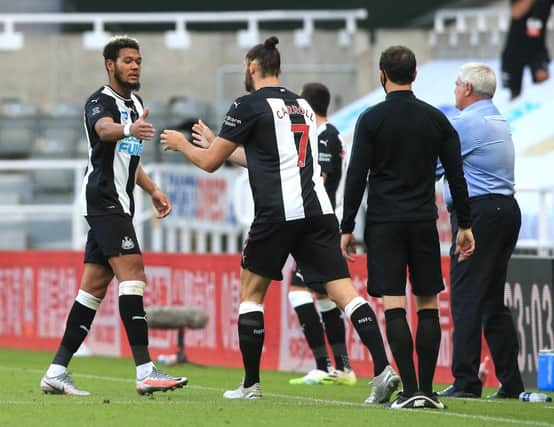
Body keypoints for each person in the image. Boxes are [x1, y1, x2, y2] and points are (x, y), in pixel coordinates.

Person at [161, 36, 400, 403]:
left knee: (251, 295)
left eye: (245, 67)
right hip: (318, 212)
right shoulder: (302, 105)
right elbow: (267, 158)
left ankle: (251, 385)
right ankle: (384, 370)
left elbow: (210, 165)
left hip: (277, 214)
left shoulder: (246, 105)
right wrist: (214, 141)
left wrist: (183, 145)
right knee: (346, 294)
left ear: (253, 67)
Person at [40, 36, 187, 396]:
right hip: (103, 199)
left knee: (92, 289)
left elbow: (129, 158)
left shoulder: (136, 104)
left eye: (138, 60)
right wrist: (126, 129)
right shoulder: (99, 101)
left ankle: (56, 371)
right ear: (110, 65)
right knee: (133, 273)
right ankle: (145, 370)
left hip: (121, 202)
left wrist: (152, 189)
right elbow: (105, 131)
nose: (135, 65)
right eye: (127, 60)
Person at [340, 45, 475, 410]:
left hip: (384, 223)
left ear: (382, 75)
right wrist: (464, 224)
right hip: (422, 222)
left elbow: (356, 176)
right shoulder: (436, 120)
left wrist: (347, 225)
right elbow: (457, 177)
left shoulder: (371, 120)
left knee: (395, 304)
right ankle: (429, 392)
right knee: (428, 303)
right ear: (415, 75)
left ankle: (410, 389)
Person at [437, 63, 524, 400]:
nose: (455, 89)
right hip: (504, 209)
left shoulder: (466, 124)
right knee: (491, 300)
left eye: (458, 84)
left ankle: (466, 381)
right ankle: (511, 381)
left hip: (479, 214)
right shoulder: (496, 119)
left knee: (466, 298)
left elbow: (434, 165)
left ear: (469, 89)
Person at [287, 82, 356, 386]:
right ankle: (340, 367)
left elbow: (323, 180)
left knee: (298, 292)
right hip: (320, 223)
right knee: (322, 294)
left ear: (306, 105)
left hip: (317, 224)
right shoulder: (321, 135)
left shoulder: (325, 136)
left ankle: (324, 364)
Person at [501, 0, 553, 99]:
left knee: (543, 88)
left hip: (537, 48)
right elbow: (516, 12)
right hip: (515, 48)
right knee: (514, 93)